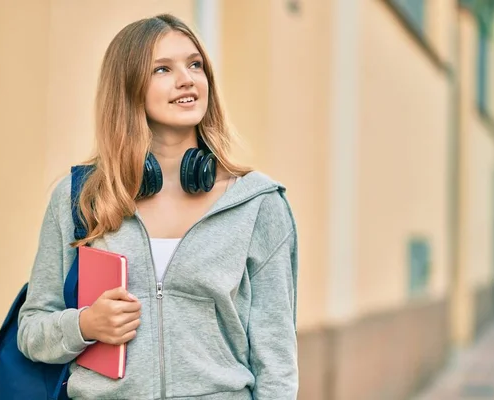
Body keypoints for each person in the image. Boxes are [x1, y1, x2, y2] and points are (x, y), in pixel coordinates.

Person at [17, 13, 298, 400]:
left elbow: (277, 357)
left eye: (195, 64)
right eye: (162, 69)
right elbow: (32, 331)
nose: (187, 79)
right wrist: (85, 325)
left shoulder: (257, 205)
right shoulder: (80, 199)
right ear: (129, 88)